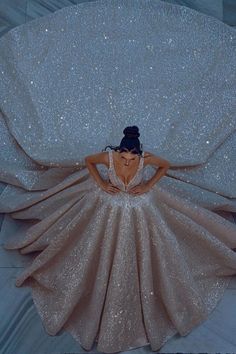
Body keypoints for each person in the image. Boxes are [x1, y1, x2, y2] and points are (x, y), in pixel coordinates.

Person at [2, 125, 236, 353]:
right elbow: (89, 162)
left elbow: (164, 166)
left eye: (131, 157)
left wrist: (148, 184)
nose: (126, 161)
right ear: (119, 150)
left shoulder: (146, 159)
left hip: (139, 208)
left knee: (149, 240)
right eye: (123, 155)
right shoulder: (109, 157)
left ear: (137, 153)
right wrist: (102, 183)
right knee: (96, 242)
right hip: (110, 207)